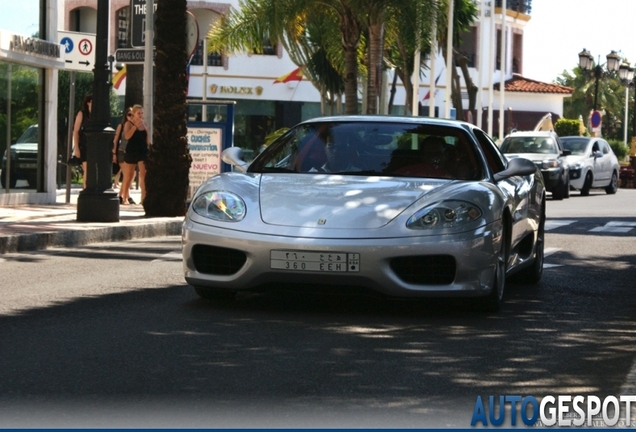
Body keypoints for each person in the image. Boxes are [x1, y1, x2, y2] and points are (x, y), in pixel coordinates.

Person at [120, 104, 150, 204]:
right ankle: (124, 197)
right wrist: (135, 127)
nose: (140, 115)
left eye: (142, 113)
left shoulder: (144, 124)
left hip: (142, 151)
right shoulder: (129, 124)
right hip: (131, 151)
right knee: (129, 176)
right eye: (138, 113)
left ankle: (144, 198)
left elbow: (147, 139)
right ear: (133, 114)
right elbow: (127, 136)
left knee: (143, 174)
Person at [72, 94, 92, 189]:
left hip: (95, 145)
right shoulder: (82, 114)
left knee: (91, 170)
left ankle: (88, 189)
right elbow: (76, 131)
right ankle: (86, 189)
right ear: (88, 103)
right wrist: (76, 148)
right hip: (84, 145)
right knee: (87, 169)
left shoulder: (98, 115)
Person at [112, 108, 132, 203]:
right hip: (121, 151)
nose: (131, 117)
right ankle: (124, 196)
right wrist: (114, 153)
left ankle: (123, 196)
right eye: (129, 114)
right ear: (125, 115)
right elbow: (115, 140)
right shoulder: (121, 126)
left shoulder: (135, 126)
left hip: (130, 152)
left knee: (130, 175)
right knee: (127, 174)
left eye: (132, 114)